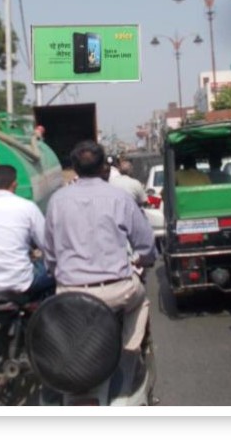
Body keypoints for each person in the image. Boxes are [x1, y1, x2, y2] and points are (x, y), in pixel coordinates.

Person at [42, 140, 157, 355]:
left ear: (74, 168)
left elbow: (49, 250)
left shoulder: (57, 201)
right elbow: (146, 244)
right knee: (140, 301)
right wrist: (144, 259)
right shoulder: (120, 197)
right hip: (117, 291)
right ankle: (129, 354)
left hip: (70, 293)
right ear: (103, 166)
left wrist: (55, 271)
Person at [0, 164, 55, 299]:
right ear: (14, 184)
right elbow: (48, 246)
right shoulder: (27, 207)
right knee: (55, 271)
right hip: (20, 282)